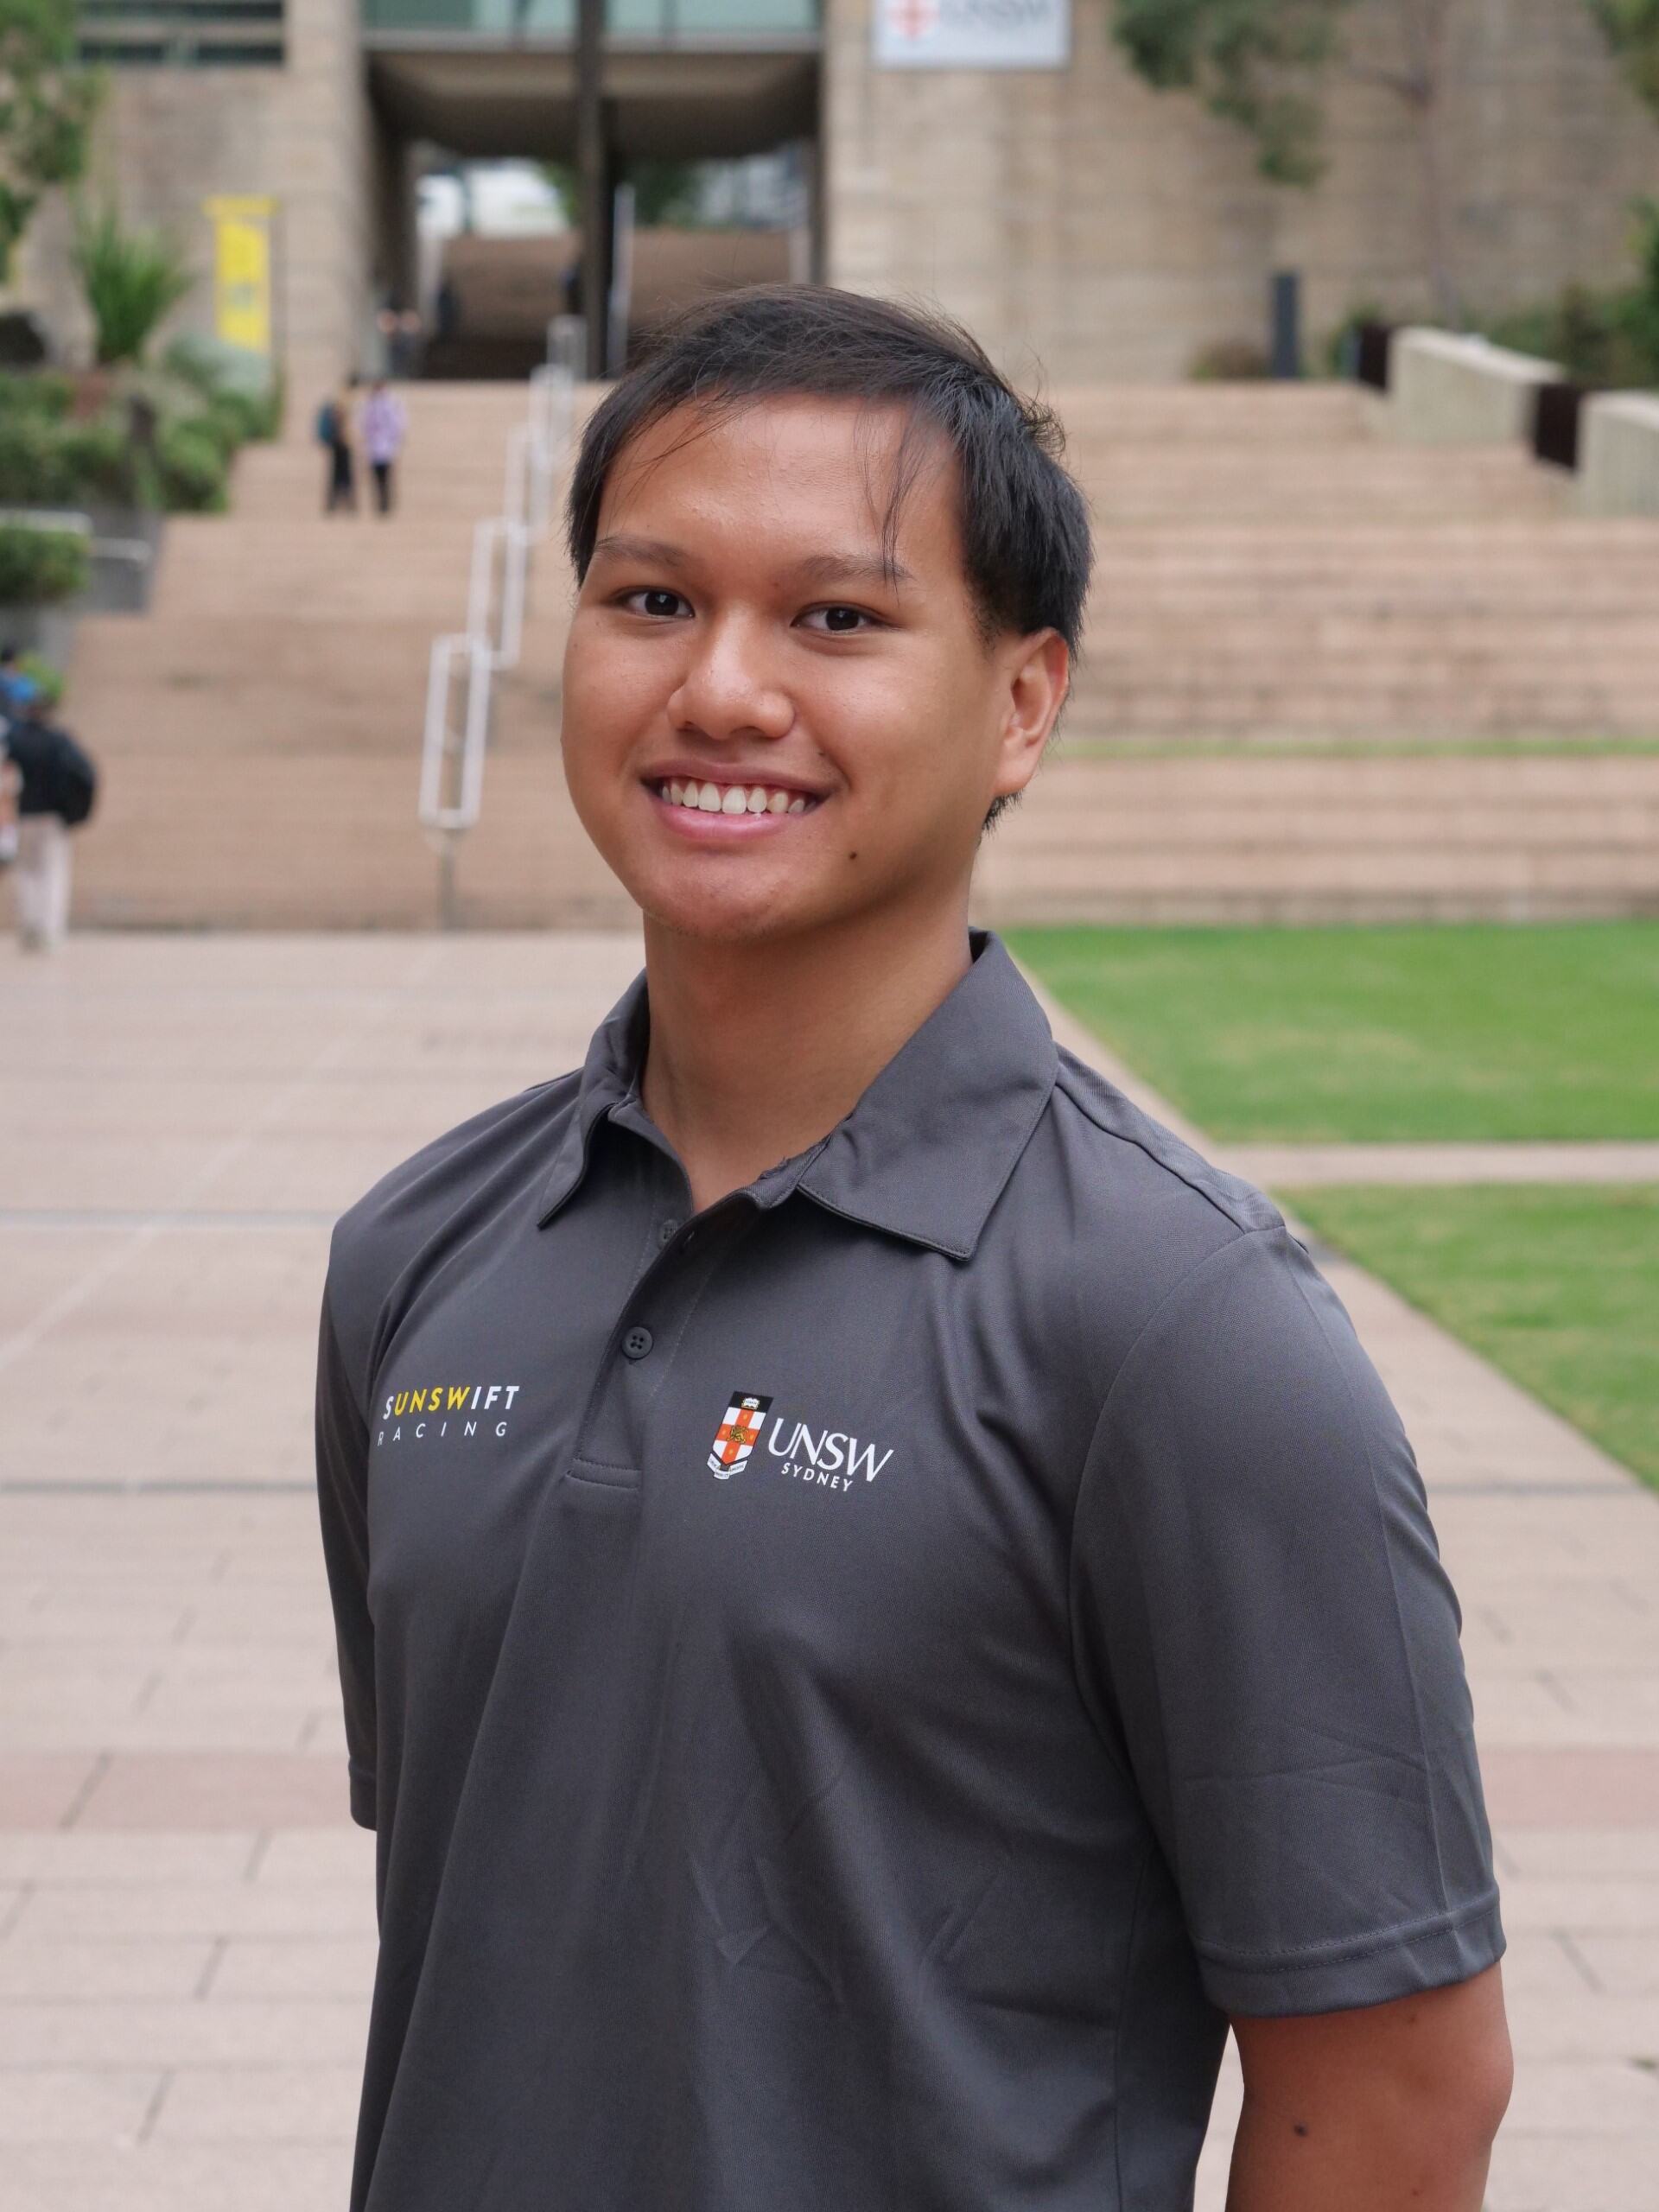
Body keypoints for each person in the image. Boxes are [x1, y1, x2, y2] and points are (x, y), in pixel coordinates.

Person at [315, 286, 1511, 2212]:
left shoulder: (1182, 1329)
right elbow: (501, 1911)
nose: (722, 689)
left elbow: (1399, 2090)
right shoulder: (416, 1254)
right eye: (651, 599)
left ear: (1023, 703)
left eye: (837, 619)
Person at [1, 693, 96, 951]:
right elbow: (85, 773)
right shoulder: (59, 741)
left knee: (27, 872)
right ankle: (50, 929)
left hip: (24, 815)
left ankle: (30, 925)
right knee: (53, 874)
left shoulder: (15, 741)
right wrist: (73, 808)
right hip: (53, 818)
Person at [360, 378, 407, 517]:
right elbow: (365, 425)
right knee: (378, 478)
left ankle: (385, 503)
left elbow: (397, 424)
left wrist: (395, 440)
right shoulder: (370, 404)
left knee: (385, 477)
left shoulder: (390, 403)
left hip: (385, 446)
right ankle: (381, 503)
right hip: (376, 446)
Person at [318, 378, 358, 515]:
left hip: (341, 441)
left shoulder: (341, 397)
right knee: (342, 473)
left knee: (339, 473)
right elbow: (339, 416)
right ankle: (342, 502)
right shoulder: (344, 399)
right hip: (342, 441)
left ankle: (336, 503)